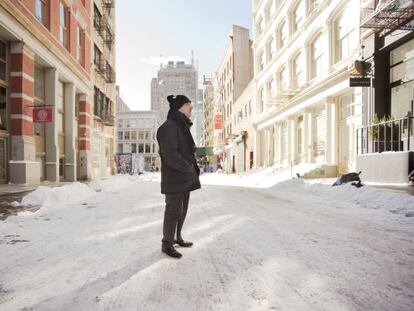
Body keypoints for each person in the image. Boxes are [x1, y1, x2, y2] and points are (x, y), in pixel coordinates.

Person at [156, 95, 201, 258]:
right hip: (175, 177)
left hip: (184, 177)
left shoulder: (181, 126)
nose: (191, 108)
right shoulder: (169, 127)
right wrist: (187, 166)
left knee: (182, 210)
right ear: (180, 107)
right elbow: (170, 154)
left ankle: (177, 237)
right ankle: (167, 244)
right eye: (189, 104)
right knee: (173, 211)